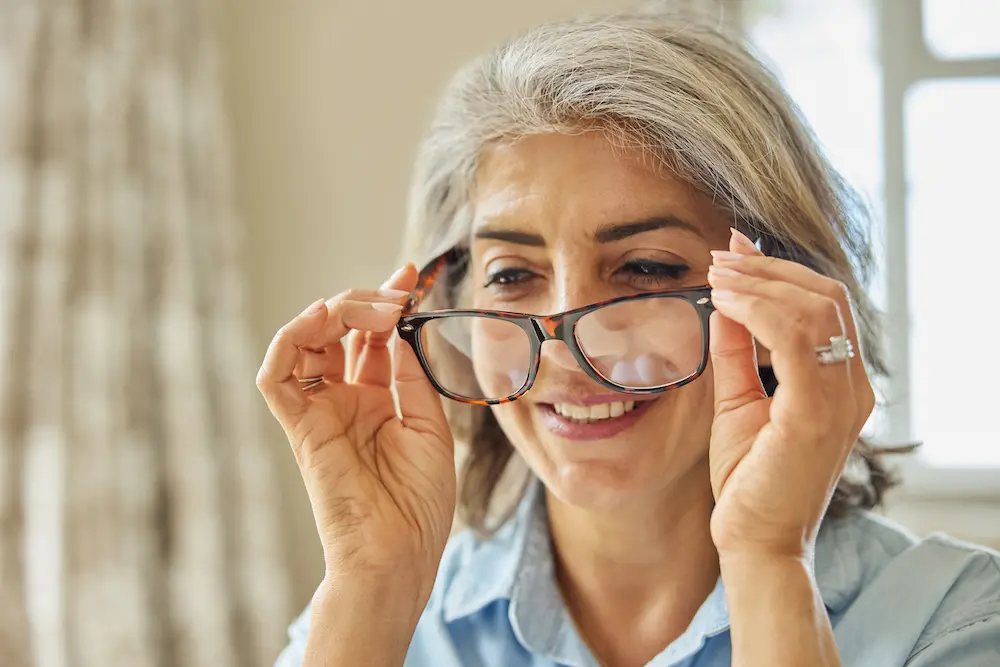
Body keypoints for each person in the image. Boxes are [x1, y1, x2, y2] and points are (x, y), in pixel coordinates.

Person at [259, 10, 1000, 667]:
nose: (564, 351)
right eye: (513, 274)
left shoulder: (950, 622)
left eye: (644, 268)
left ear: (781, 302)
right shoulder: (382, 614)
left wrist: (770, 560)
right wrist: (369, 583)